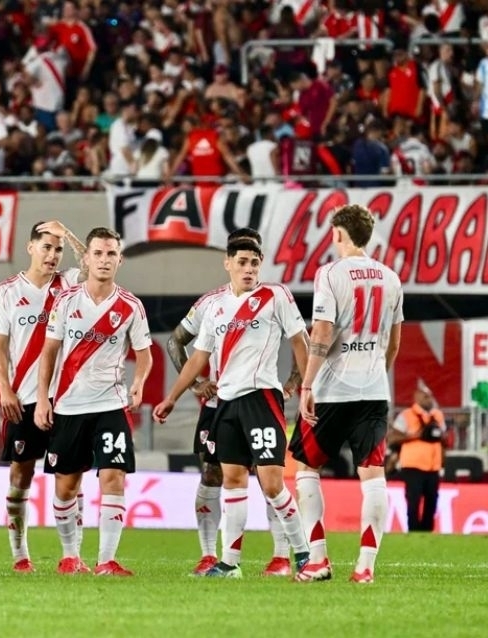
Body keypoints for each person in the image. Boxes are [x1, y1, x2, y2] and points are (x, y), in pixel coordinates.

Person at [153, 237, 313, 579]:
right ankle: (229, 562)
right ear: (228, 263)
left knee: (272, 483)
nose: (249, 269)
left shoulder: (276, 296)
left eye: (254, 262)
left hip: (261, 399)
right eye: (242, 262)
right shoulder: (215, 306)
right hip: (225, 403)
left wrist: (306, 387)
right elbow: (198, 356)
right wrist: (172, 397)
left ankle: (303, 554)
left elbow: (301, 341)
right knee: (233, 481)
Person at [290, 204, 404, 584]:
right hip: (374, 390)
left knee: (307, 468)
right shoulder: (391, 278)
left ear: (338, 234)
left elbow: (322, 332)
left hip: (331, 391)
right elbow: (394, 344)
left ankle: (318, 560)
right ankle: (365, 567)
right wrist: (376, 374)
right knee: (373, 476)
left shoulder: (331, 273)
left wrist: (308, 384)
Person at [35, 227, 153, 576]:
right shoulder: (66, 301)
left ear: (120, 260)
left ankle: (106, 560)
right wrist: (42, 399)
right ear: (86, 258)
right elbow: (49, 352)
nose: (104, 260)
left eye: (111, 254)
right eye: (98, 253)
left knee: (114, 477)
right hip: (69, 405)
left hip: (111, 405)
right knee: (66, 485)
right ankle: (70, 556)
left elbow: (144, 354)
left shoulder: (131, 306)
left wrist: (138, 383)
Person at [0, 219, 85, 572]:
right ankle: (20, 556)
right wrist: (4, 389)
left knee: (70, 478)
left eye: (58, 249)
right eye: (47, 247)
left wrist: (68, 232)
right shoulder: (6, 292)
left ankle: (72, 556)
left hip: (68, 399)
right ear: (30, 248)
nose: (53, 255)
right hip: (23, 398)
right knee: (20, 476)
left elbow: (97, 264)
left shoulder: (71, 283)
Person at [389, 384, 445, 533]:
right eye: (425, 396)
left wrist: (440, 439)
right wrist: (416, 436)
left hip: (433, 466)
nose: (429, 399)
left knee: (432, 501)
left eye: (430, 396)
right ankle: (413, 531)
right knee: (413, 501)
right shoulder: (406, 415)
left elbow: (444, 440)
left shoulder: (437, 416)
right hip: (413, 465)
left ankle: (427, 532)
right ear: (417, 397)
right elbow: (393, 438)